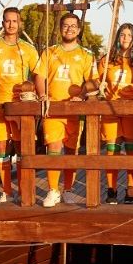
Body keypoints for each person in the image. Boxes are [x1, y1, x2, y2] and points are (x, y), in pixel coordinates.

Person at [35, 12, 98, 207]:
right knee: (53, 148)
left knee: (72, 150)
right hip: (53, 108)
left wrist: (84, 94)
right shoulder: (49, 52)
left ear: (78, 30)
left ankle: (68, 189)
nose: (69, 29)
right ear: (60, 28)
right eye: (66, 25)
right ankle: (53, 190)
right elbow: (39, 76)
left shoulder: (87, 55)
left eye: (73, 26)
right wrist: (42, 94)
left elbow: (93, 81)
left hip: (74, 109)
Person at [0, 7, 42, 205]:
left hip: (20, 106)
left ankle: (23, 190)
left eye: (14, 21)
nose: (11, 24)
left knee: (21, 146)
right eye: (7, 21)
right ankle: (6, 191)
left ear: (19, 23)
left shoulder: (28, 49)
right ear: (3, 23)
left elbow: (38, 74)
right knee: (0, 147)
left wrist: (41, 95)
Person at [99, 23, 133, 204]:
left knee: (132, 150)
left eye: (129, 35)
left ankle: (131, 190)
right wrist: (99, 86)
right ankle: (112, 190)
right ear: (118, 37)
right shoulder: (107, 60)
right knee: (112, 151)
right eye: (122, 35)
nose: (125, 38)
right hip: (111, 109)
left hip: (132, 110)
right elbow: (97, 80)